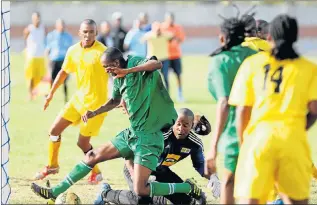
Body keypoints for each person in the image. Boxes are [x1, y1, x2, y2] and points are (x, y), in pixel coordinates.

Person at [31, 48, 204, 204]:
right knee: (92, 155)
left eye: (107, 67)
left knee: (141, 190)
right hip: (132, 134)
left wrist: (127, 71)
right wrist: (94, 112)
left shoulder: (134, 62)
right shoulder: (118, 80)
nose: (106, 71)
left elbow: (156, 64)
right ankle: (54, 192)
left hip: (150, 138)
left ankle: (187, 187)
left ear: (115, 63)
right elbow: (114, 101)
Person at [229, 14, 317, 204]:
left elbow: (242, 111)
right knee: (296, 201)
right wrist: (296, 129)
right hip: (292, 139)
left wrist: (244, 141)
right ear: (295, 37)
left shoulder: (252, 64)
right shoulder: (309, 68)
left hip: (258, 139)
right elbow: (315, 110)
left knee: (250, 200)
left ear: (269, 37)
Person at [34, 19, 108, 185]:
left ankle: (96, 172)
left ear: (96, 33)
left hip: (96, 105)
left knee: (82, 143)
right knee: (54, 130)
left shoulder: (103, 53)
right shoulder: (73, 50)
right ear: (79, 33)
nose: (88, 35)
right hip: (78, 100)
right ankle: (52, 166)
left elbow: (117, 75)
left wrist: (122, 98)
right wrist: (51, 94)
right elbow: (63, 72)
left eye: (91, 32)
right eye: (85, 32)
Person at [94, 109, 216, 205]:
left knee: (186, 202)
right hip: (137, 166)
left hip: (160, 170)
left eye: (186, 125)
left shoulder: (194, 143)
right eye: (178, 124)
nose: (181, 128)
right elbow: (130, 153)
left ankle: (183, 191)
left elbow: (200, 164)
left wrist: (214, 178)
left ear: (191, 126)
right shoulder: (159, 135)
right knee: (143, 200)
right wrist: (133, 174)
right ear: (174, 122)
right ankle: (106, 194)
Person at [205, 16, 257, 204]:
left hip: (234, 134)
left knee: (229, 182)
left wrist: (212, 148)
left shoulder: (221, 60)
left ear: (222, 37)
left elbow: (224, 102)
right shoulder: (256, 56)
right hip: (261, 130)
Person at [46, 18, 73, 103]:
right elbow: (48, 48)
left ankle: (66, 97)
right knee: (52, 78)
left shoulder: (68, 36)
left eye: (63, 25)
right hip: (54, 59)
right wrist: (47, 60)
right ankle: (49, 95)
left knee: (64, 79)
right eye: (60, 25)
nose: (62, 27)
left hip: (64, 60)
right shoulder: (51, 35)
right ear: (56, 26)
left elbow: (70, 49)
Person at [161, 12, 186, 102]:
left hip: (176, 55)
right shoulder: (162, 27)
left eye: (171, 18)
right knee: (165, 75)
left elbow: (180, 39)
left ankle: (180, 94)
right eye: (168, 18)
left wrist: (173, 38)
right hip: (165, 55)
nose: (170, 20)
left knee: (178, 75)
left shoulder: (178, 27)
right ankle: (167, 94)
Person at [23, 12, 47, 100]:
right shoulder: (29, 28)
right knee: (31, 76)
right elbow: (25, 38)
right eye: (35, 18)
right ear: (32, 19)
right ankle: (30, 94)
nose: (37, 20)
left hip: (41, 56)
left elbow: (45, 38)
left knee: (41, 76)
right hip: (31, 56)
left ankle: (41, 94)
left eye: (38, 18)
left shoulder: (43, 28)